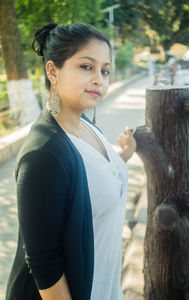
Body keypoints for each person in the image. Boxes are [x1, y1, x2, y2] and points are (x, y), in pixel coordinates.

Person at [5, 23, 137, 300]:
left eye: (105, 70)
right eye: (86, 67)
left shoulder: (86, 126)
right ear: (52, 71)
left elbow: (92, 178)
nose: (100, 79)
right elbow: (44, 264)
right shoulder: (42, 154)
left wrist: (123, 155)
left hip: (105, 286)